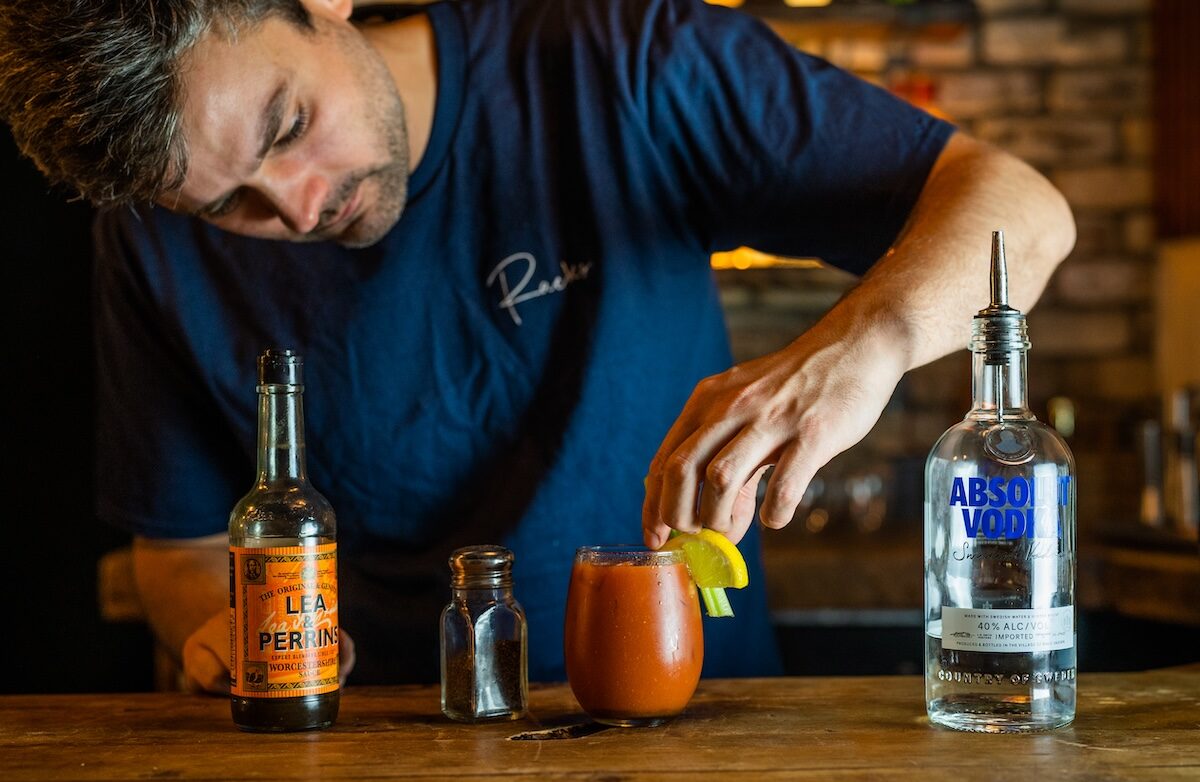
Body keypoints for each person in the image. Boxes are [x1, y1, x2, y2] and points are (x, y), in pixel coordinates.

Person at [0, 0, 1074, 691]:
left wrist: (856, 351)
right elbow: (180, 549)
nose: (298, 203)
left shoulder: (616, 60)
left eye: (286, 125)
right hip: (391, 743)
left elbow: (1024, 213)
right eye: (227, 203)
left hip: (696, 735)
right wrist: (218, 637)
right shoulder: (148, 242)